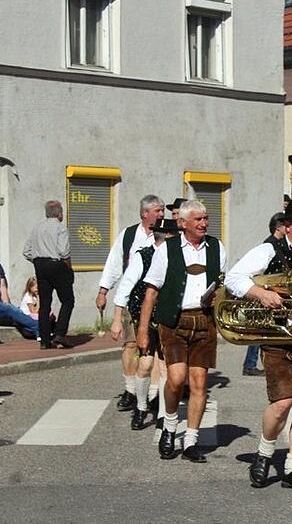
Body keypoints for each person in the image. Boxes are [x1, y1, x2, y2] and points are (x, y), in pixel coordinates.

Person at [225, 200, 292, 491]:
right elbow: (233, 278)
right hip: (279, 337)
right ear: (287, 226)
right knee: (282, 403)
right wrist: (260, 293)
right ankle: (263, 453)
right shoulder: (268, 251)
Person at [140, 201, 227, 462]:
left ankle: (190, 441)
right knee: (176, 379)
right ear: (183, 223)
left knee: (199, 383)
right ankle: (169, 426)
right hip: (174, 321)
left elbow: (223, 284)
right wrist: (143, 331)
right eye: (198, 219)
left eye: (206, 218)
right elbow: (151, 292)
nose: (203, 223)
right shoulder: (167, 249)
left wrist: (219, 299)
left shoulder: (217, 247)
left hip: (204, 321)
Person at [95, 195, 165, 411]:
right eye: (157, 210)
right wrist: (103, 291)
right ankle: (131, 390)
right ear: (145, 213)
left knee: (154, 348)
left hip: (157, 299)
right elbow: (114, 264)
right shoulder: (128, 235)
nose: (162, 214)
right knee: (130, 345)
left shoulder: (166, 236)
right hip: (131, 299)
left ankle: (152, 393)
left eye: (162, 210)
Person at [111, 218, 180, 431]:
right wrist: (116, 319)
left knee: (164, 366)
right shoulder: (144, 256)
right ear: (167, 237)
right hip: (144, 317)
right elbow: (126, 286)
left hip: (168, 317)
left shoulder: (178, 258)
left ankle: (160, 411)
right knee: (146, 363)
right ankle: (141, 407)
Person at [22, 200, 75, 350]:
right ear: (59, 213)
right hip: (56, 264)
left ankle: (44, 340)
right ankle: (59, 334)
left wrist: (37, 260)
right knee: (67, 300)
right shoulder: (60, 227)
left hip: (40, 265)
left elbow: (26, 251)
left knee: (44, 303)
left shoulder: (37, 228)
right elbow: (64, 251)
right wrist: (68, 268)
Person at [242, 213, 287, 377]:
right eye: (285, 225)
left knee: (265, 330)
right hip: (266, 292)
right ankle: (250, 365)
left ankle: (256, 363)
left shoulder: (279, 244)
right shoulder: (270, 245)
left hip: (271, 292)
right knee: (260, 331)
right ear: (278, 227)